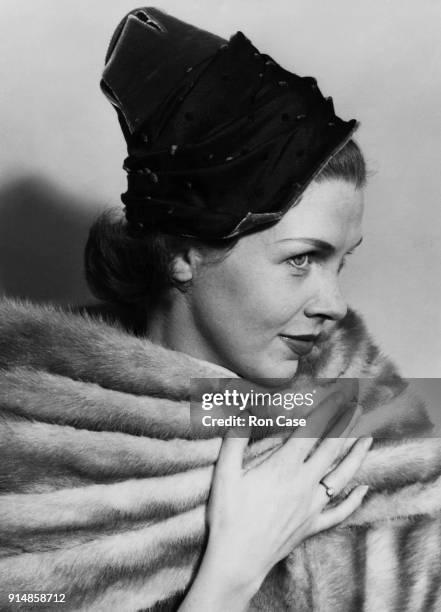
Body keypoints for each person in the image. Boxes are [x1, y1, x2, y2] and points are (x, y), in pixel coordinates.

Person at [0, 7, 440, 612]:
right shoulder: (29, 441)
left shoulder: (367, 430)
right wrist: (232, 571)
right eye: (300, 259)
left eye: (341, 262)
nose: (335, 305)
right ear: (184, 254)